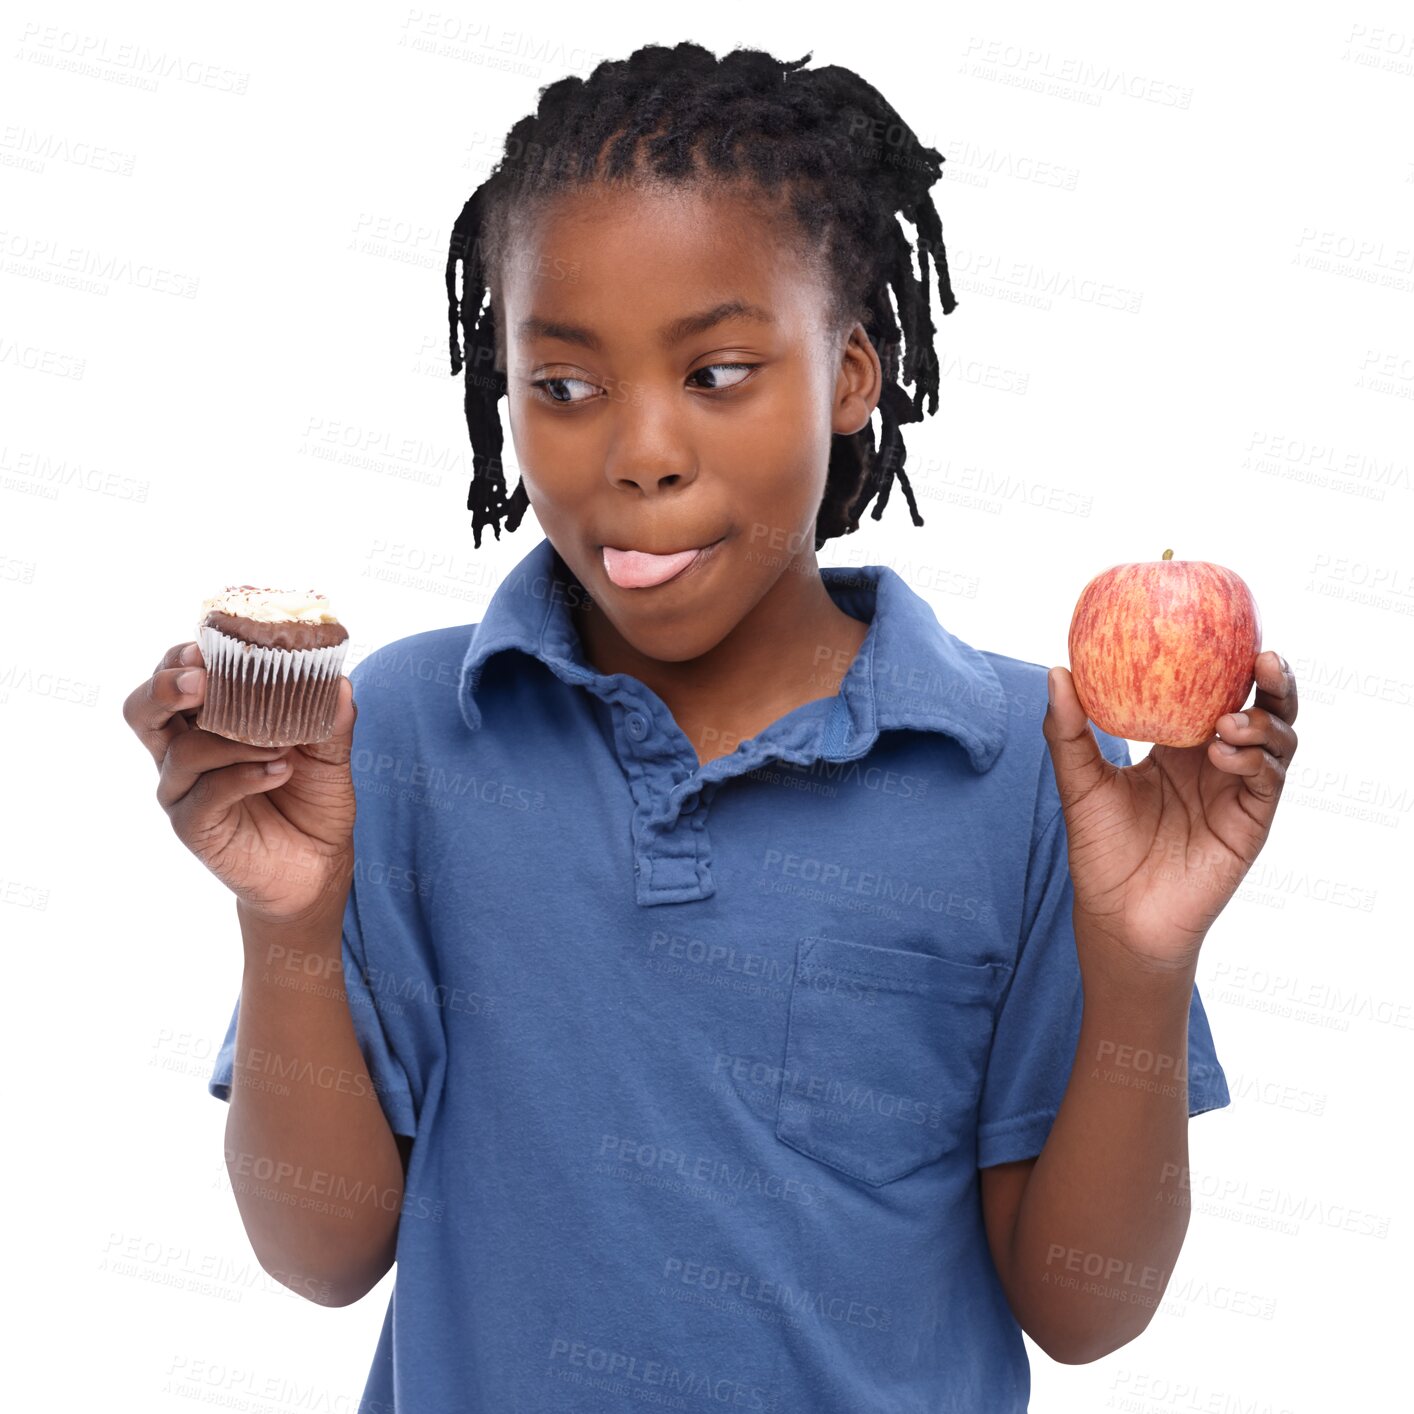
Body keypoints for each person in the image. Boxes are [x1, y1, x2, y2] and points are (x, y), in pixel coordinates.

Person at [125, 41, 1299, 1414]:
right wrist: (285, 919)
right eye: (562, 385)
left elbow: (1084, 1308)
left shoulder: (1027, 764)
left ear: (852, 372)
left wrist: (1145, 964)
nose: (639, 451)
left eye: (720, 371)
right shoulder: (396, 735)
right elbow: (322, 1254)